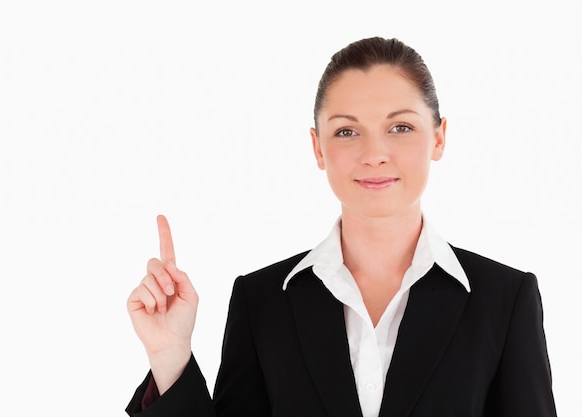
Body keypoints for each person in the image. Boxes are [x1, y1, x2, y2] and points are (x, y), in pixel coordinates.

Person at [125, 37, 557, 417]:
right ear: (318, 147)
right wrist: (170, 358)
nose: (374, 154)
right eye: (347, 132)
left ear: (439, 138)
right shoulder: (262, 303)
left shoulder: (503, 300)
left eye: (401, 127)